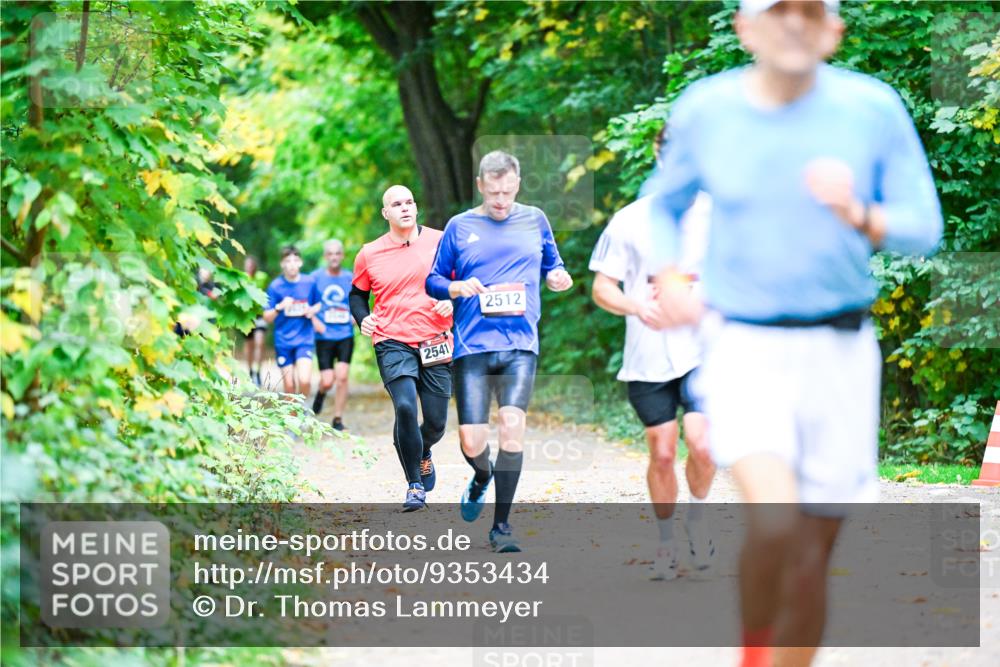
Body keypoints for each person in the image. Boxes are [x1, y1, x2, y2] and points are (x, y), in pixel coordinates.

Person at [642, 1, 942, 665]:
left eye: (811, 11)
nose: (795, 23)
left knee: (811, 553)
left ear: (834, 30)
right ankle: (754, 653)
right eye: (778, 11)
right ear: (746, 28)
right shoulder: (708, 109)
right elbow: (664, 206)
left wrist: (858, 211)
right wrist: (669, 274)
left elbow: (925, 227)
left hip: (841, 350)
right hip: (745, 345)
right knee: (776, 521)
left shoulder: (872, 108)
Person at [426, 150, 574, 553]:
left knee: (512, 425)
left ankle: (502, 527)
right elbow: (432, 281)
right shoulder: (459, 226)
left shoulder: (535, 219)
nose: (501, 201)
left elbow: (554, 265)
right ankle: (481, 475)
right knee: (472, 441)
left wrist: (558, 277)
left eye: (508, 192)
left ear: (518, 185)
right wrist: (455, 287)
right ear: (480, 186)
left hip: (519, 345)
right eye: (493, 193)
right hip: (472, 346)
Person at [590, 126, 717, 581]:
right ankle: (665, 542)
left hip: (705, 350)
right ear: (658, 156)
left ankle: (697, 520)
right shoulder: (630, 220)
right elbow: (602, 287)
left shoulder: (719, 215)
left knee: (703, 444)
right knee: (662, 453)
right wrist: (636, 305)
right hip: (647, 354)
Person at [349, 185, 454, 512]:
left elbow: (461, 281)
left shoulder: (441, 241)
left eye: (409, 202)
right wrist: (363, 318)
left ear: (416, 207)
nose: (405, 208)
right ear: (386, 213)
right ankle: (414, 486)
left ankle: (421, 449)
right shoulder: (369, 253)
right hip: (391, 339)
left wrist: (452, 301)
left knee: (435, 423)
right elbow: (356, 295)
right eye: (397, 204)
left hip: (435, 339)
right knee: (406, 407)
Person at [263, 246, 323, 400]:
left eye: (295, 260)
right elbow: (266, 317)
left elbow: (318, 304)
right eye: (288, 261)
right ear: (282, 264)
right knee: (289, 386)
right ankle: (293, 415)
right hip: (283, 341)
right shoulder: (275, 286)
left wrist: (312, 310)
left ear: (300, 263)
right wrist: (279, 307)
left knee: (305, 380)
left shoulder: (309, 282)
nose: (292, 264)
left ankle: (302, 407)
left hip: (304, 339)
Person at [310, 240, 355, 430]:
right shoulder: (315, 278)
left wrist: (356, 315)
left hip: (345, 334)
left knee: (342, 376)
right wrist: (315, 321)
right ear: (325, 256)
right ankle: (321, 393)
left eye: (337, 253)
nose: (334, 257)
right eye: (330, 253)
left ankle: (337, 419)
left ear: (342, 256)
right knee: (328, 381)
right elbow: (307, 304)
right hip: (324, 336)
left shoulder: (350, 278)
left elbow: (358, 300)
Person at [243, 255, 269, 387]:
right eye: (247, 266)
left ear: (255, 266)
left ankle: (257, 371)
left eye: (251, 265)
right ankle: (250, 372)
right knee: (249, 345)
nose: (249, 268)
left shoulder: (262, 277)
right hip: (246, 316)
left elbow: (267, 292)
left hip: (260, 315)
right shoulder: (241, 278)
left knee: (260, 342)